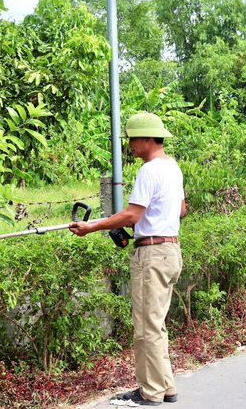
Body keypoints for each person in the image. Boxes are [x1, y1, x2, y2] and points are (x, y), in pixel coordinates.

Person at [69, 112, 186, 406]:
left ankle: (150, 393)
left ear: (147, 138)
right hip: (170, 251)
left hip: (152, 254)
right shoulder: (173, 167)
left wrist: (92, 225)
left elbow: (133, 214)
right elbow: (180, 210)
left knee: (146, 327)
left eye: (132, 139)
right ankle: (166, 388)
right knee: (156, 324)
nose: (129, 145)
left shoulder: (149, 170)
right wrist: (146, 220)